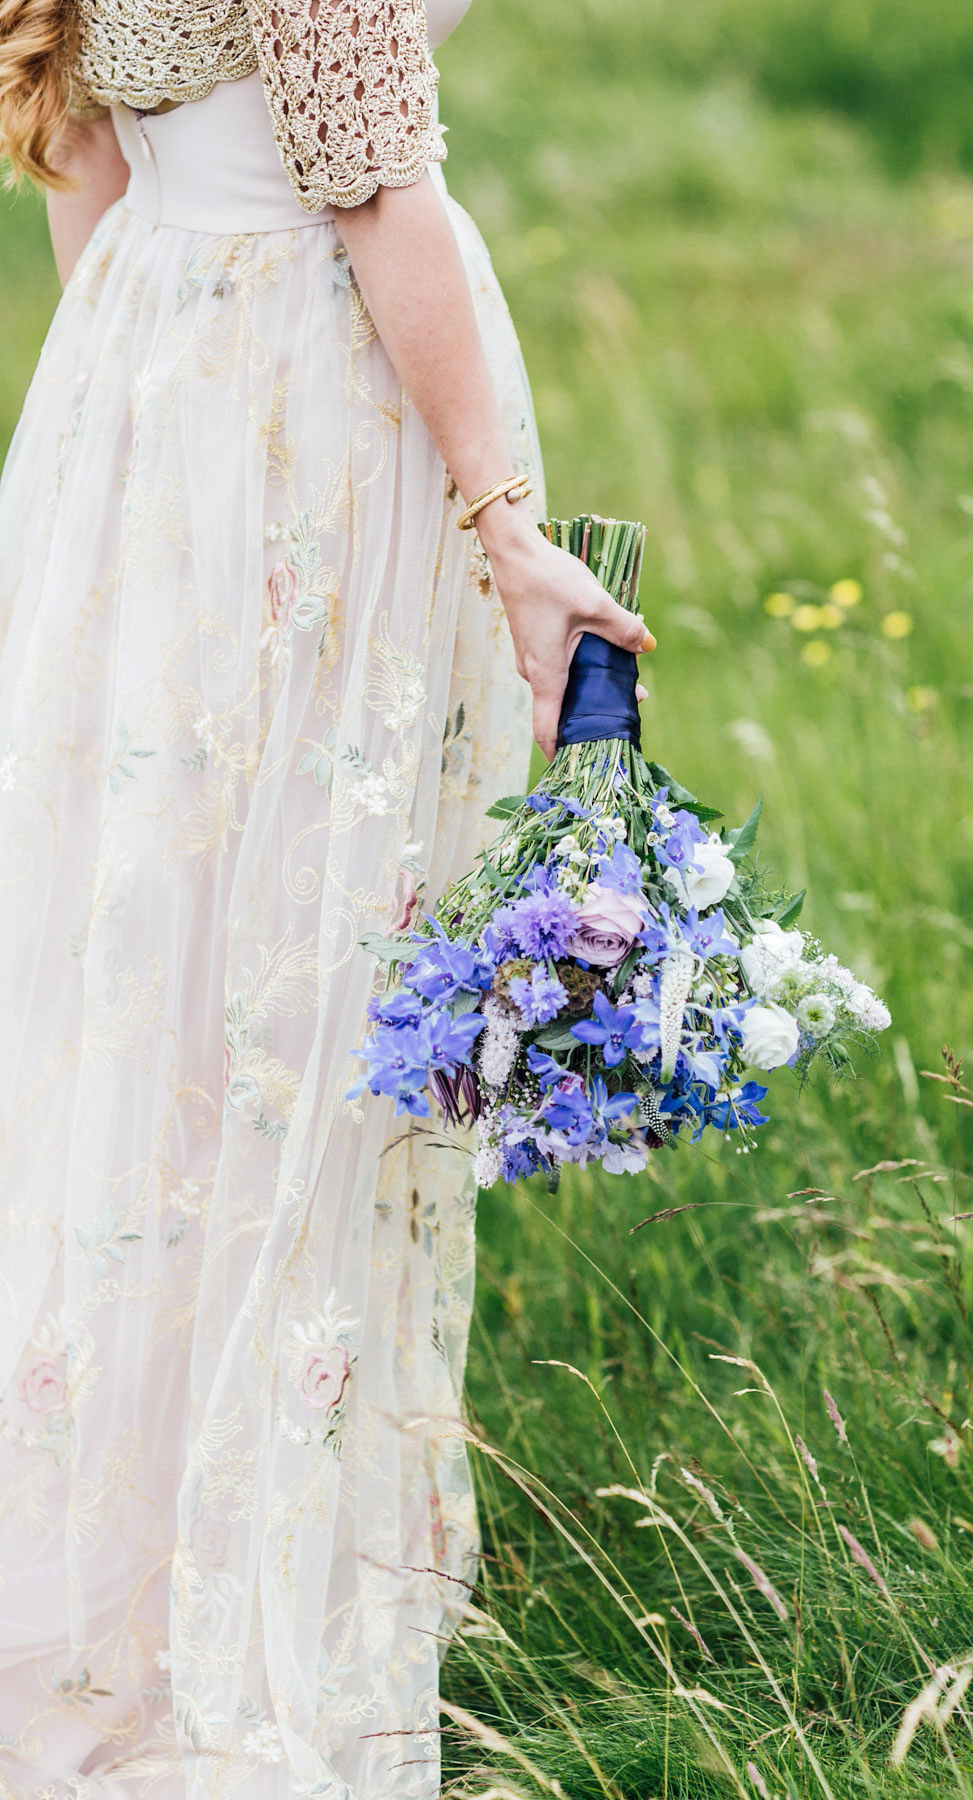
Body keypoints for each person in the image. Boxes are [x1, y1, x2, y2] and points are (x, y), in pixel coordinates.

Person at [0, 0, 653, 1790]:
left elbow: (84, 152)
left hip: (144, 394)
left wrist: (140, 454)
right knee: (304, 989)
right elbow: (375, 199)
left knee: (144, 961)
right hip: (315, 404)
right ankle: (234, 1577)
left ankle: (113, 1552)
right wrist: (508, 529)